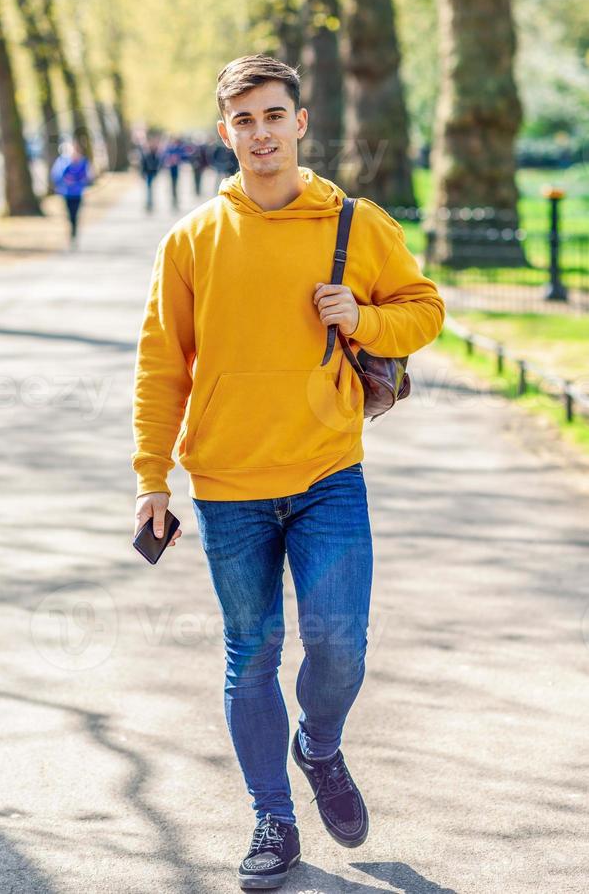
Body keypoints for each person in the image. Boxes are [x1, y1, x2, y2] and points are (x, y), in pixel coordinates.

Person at [131, 54, 446, 890]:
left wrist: (366, 320)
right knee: (252, 651)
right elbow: (162, 367)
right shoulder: (193, 240)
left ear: (299, 123)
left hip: (327, 472)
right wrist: (150, 478)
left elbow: (427, 309)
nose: (261, 133)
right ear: (225, 131)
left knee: (341, 645)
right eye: (244, 120)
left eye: (274, 116)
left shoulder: (354, 222)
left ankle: (321, 745)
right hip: (229, 487)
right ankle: (272, 817)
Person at [50, 137, 93, 246]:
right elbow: (56, 175)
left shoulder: (83, 162)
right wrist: (65, 181)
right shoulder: (62, 161)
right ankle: (71, 232)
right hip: (66, 193)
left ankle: (74, 233)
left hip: (78, 193)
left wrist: (81, 181)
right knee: (69, 215)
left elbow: (88, 177)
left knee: (75, 214)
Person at [139, 130, 161, 212]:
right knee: (148, 189)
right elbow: (142, 164)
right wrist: (142, 173)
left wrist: (156, 172)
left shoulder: (155, 154)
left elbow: (157, 164)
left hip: (152, 173)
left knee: (150, 189)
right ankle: (149, 203)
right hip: (147, 173)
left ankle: (150, 203)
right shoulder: (146, 153)